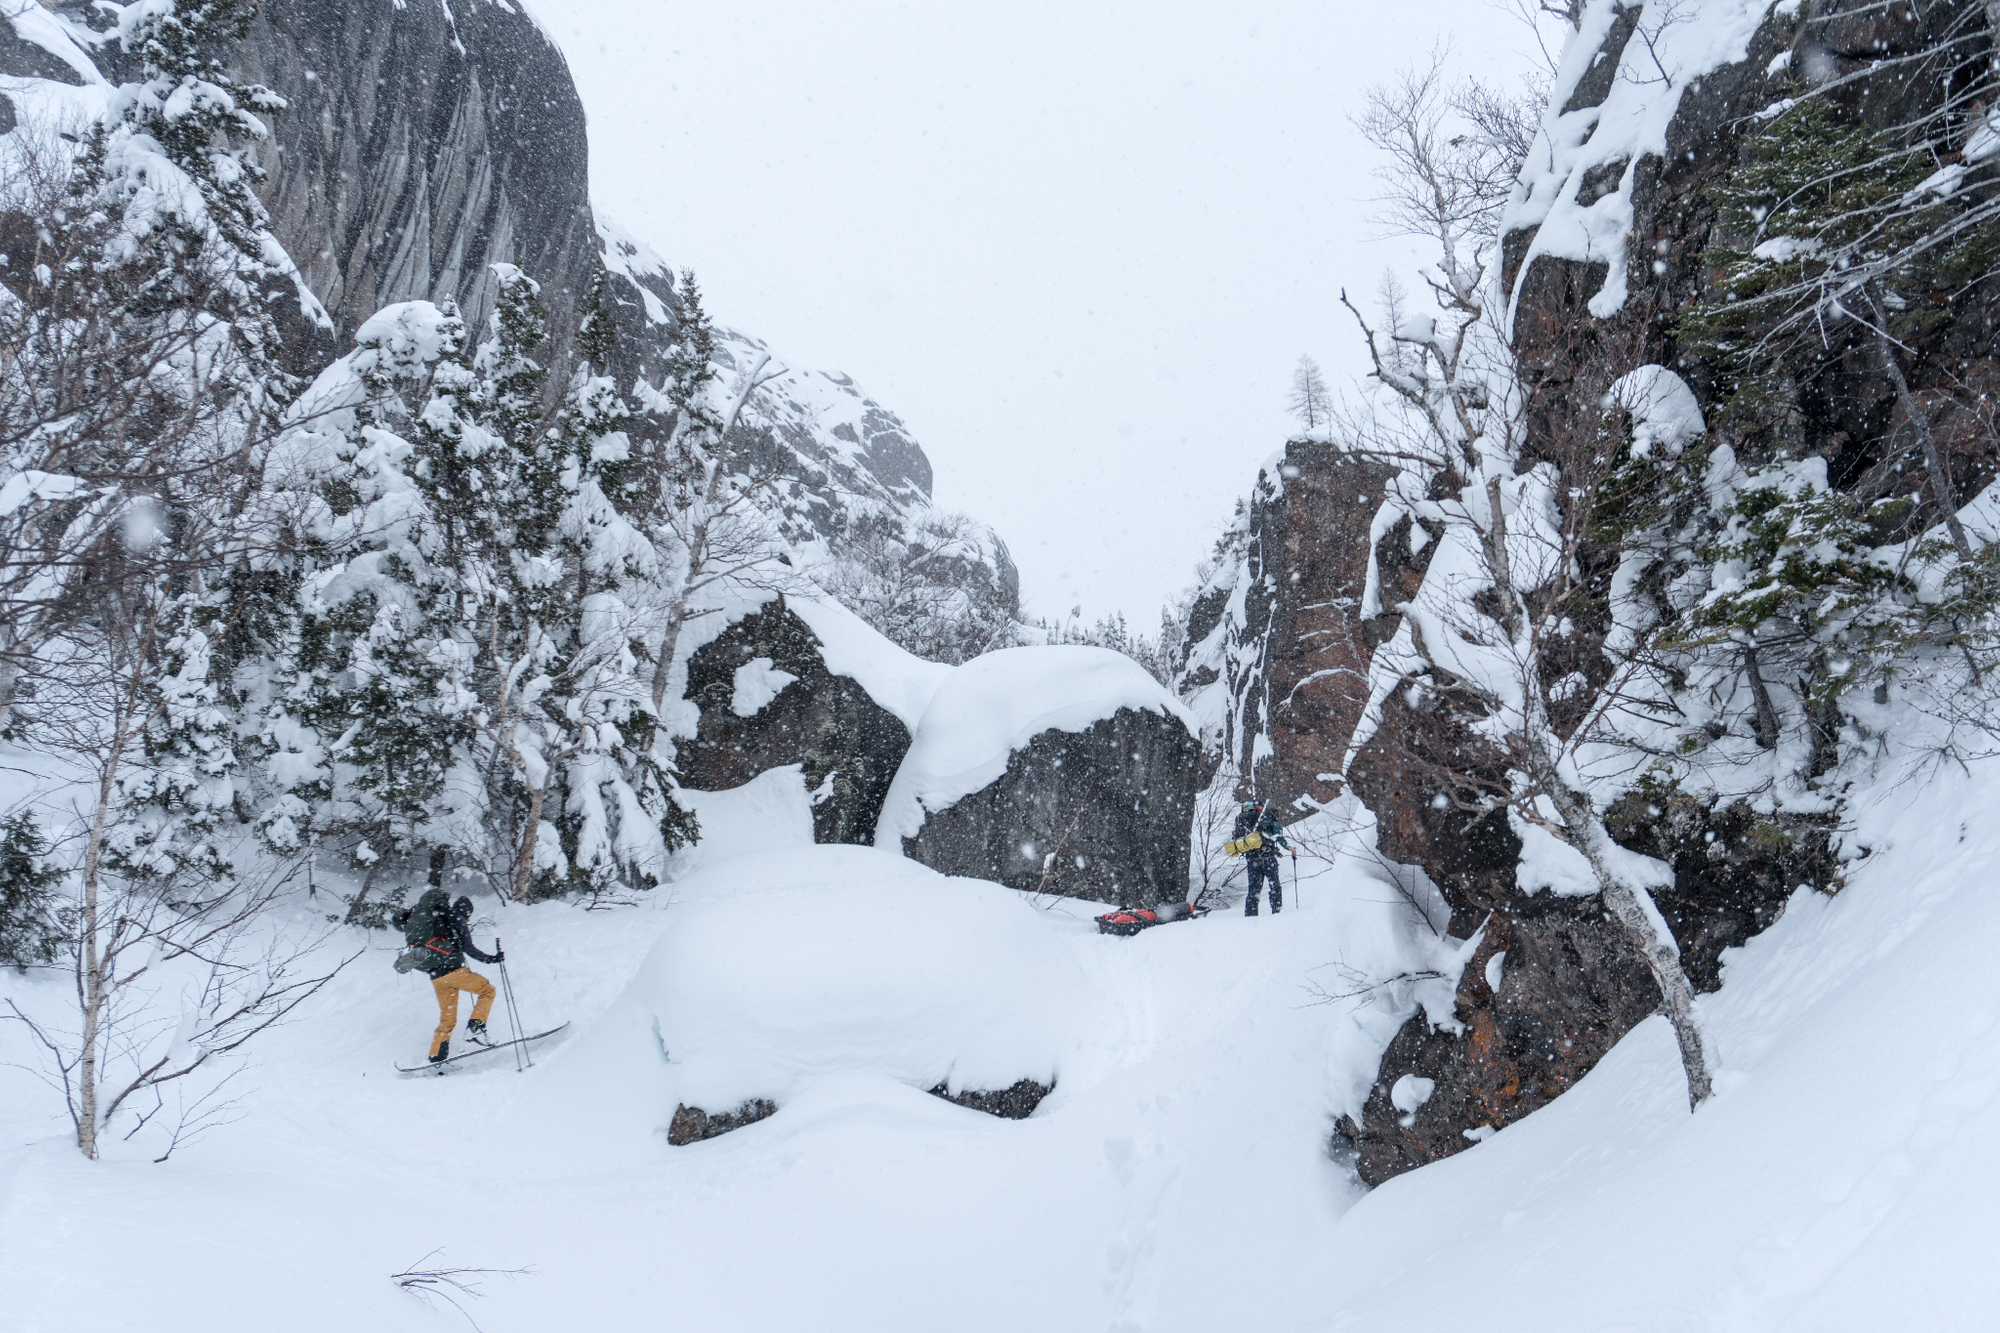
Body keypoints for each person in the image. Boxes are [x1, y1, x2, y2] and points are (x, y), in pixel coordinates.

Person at [398, 893, 504, 1065]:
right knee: (488, 991)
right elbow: (469, 948)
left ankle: (436, 1056)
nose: (468, 920)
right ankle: (475, 1029)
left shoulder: (439, 919)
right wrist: (492, 959)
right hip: (454, 973)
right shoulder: (456, 918)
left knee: (447, 1020)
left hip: (437, 978)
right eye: (468, 916)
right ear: (467, 912)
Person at [1231, 799, 1292, 916]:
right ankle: (1277, 912)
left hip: (1252, 859)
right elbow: (1279, 837)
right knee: (1275, 886)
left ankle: (1250, 916)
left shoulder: (1242, 820)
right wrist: (1288, 847)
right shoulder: (1270, 819)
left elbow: (1237, 841)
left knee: (1253, 891)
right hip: (1268, 857)